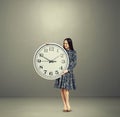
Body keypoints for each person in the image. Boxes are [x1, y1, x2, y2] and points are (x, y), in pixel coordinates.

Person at [54, 38, 77, 112]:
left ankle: (68, 104)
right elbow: (54, 52)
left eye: (66, 43)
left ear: (70, 44)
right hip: (60, 71)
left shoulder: (73, 52)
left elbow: (74, 63)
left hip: (67, 72)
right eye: (64, 43)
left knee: (66, 89)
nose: (65, 45)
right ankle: (64, 105)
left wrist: (68, 70)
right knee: (62, 88)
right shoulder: (61, 51)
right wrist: (47, 45)